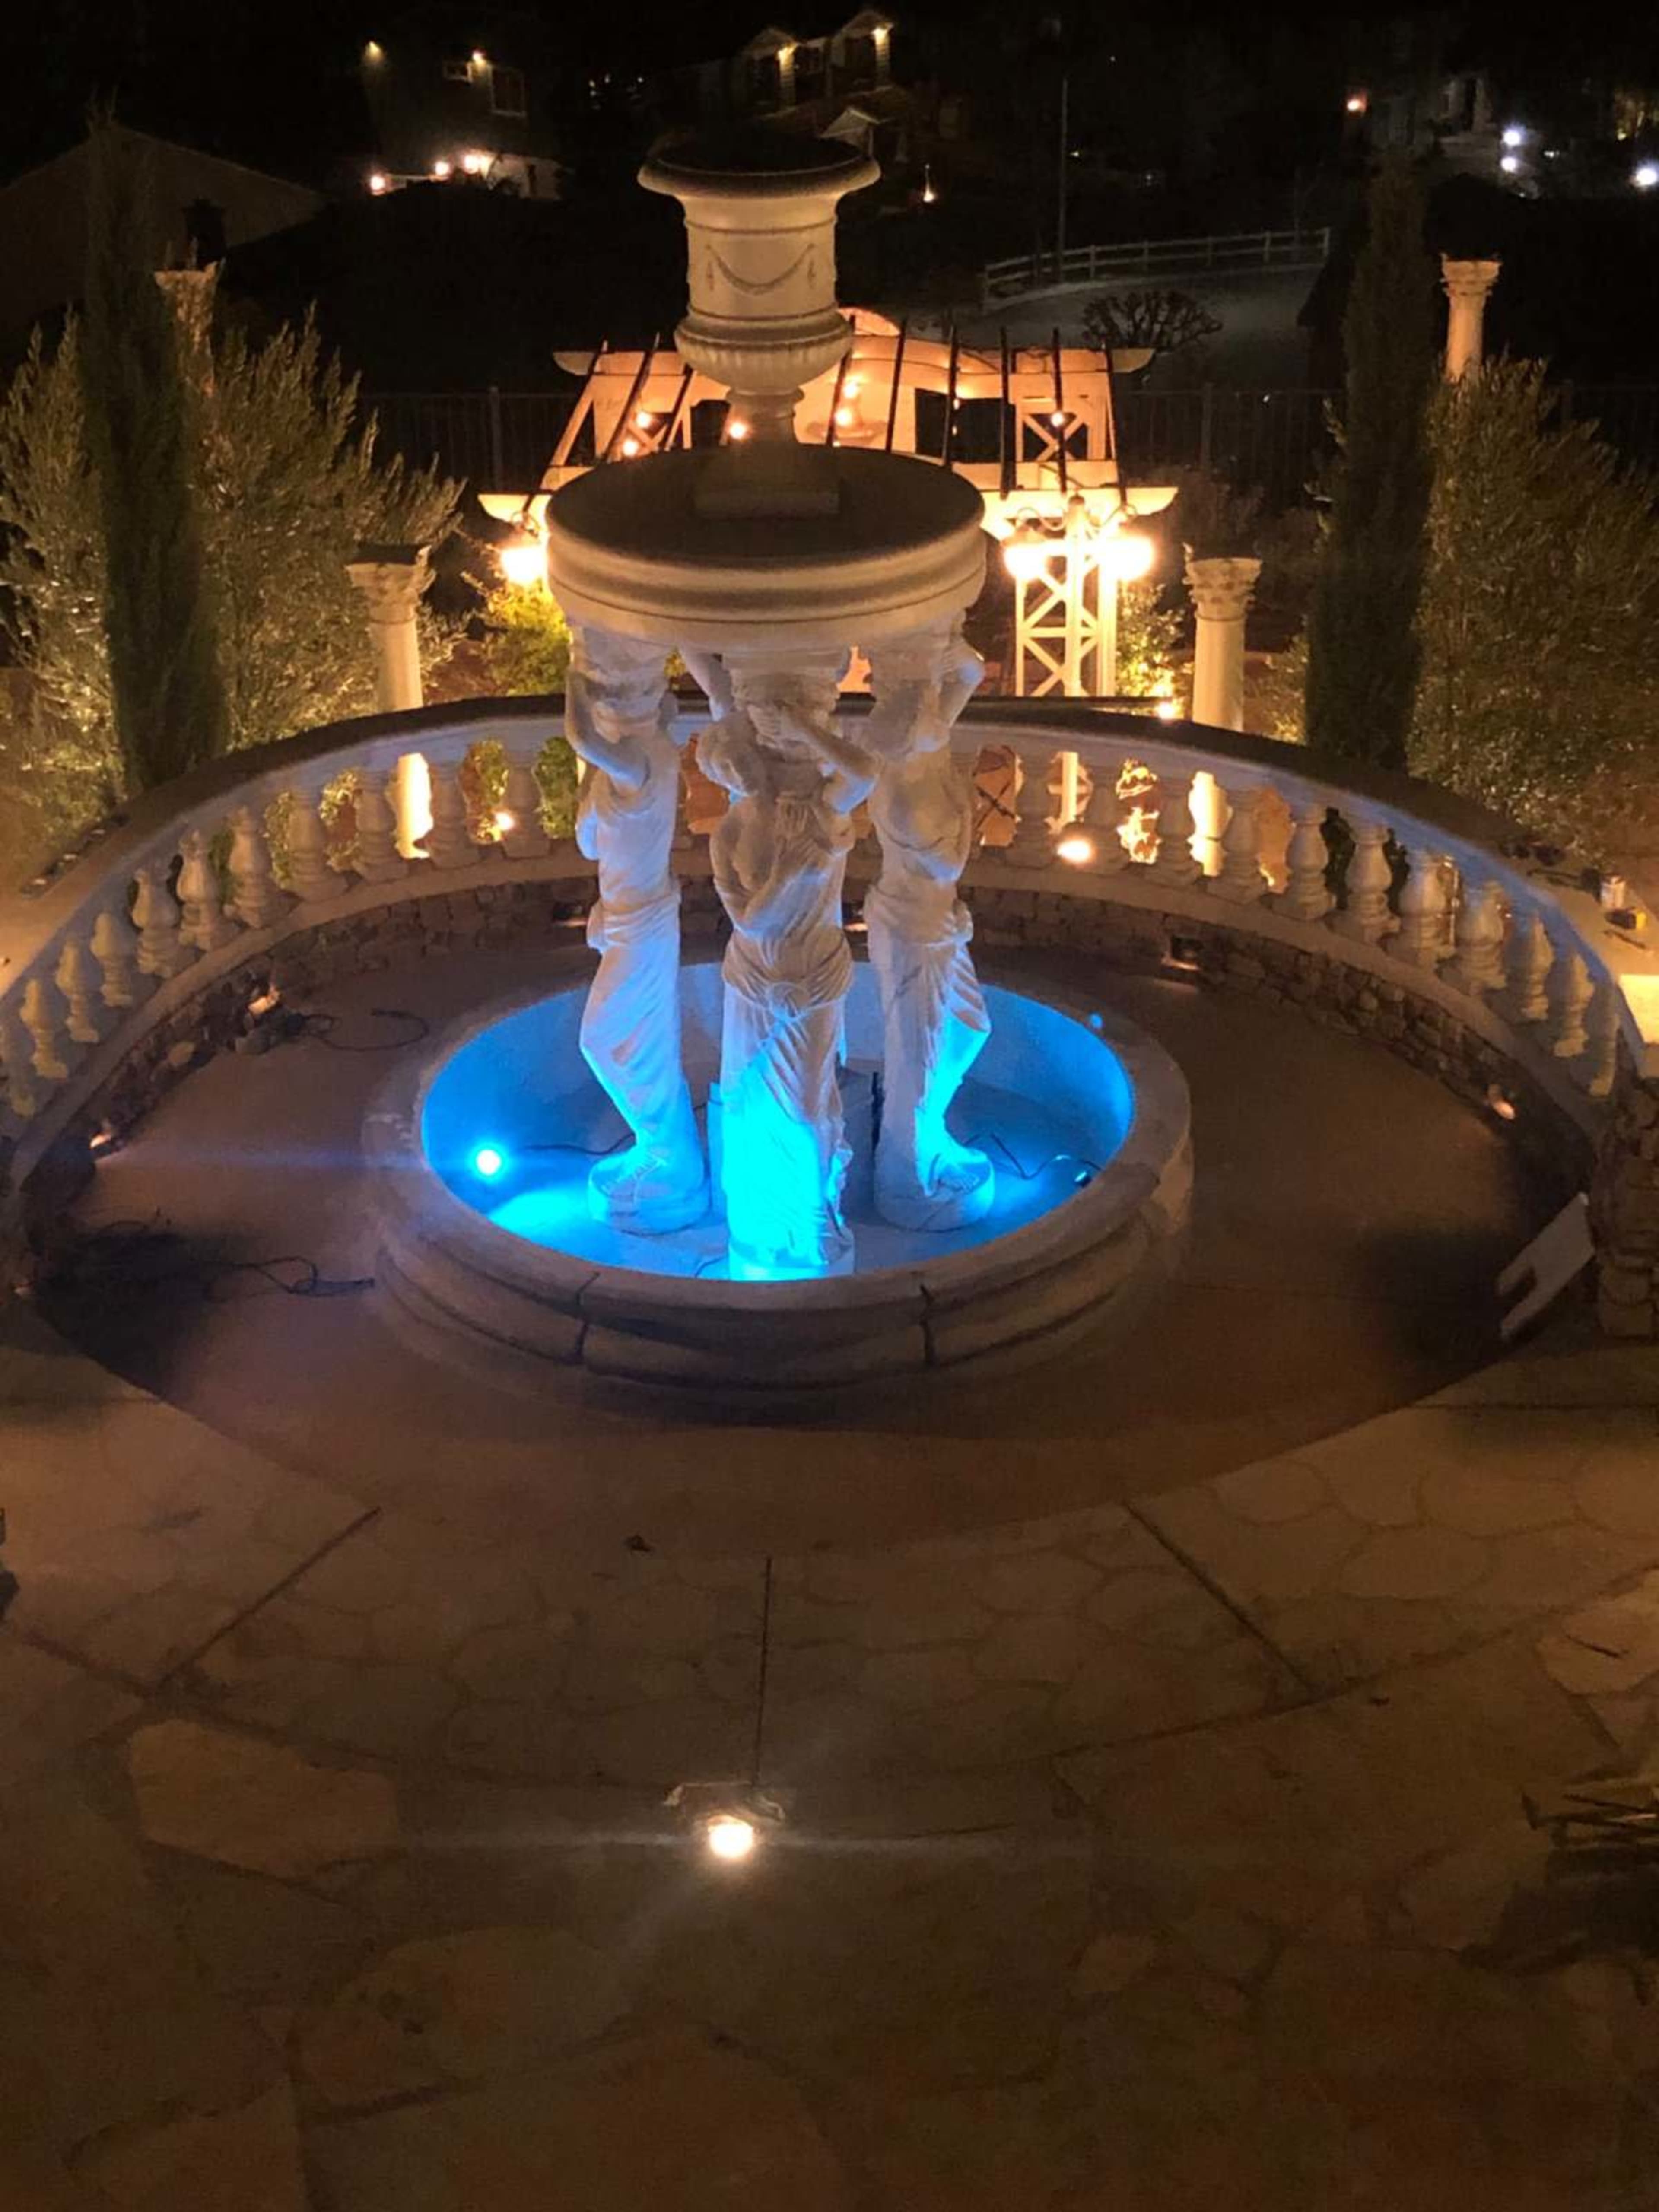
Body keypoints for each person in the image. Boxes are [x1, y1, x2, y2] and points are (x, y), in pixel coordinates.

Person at [565, 626, 706, 1231]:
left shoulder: (636, 763)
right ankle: (666, 1154)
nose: (603, 701)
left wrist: (573, 677)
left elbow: (579, 737)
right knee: (642, 1045)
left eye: (610, 691)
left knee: (608, 1041)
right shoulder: (642, 755)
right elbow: (591, 837)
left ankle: (670, 1156)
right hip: (629, 918)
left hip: (640, 924)